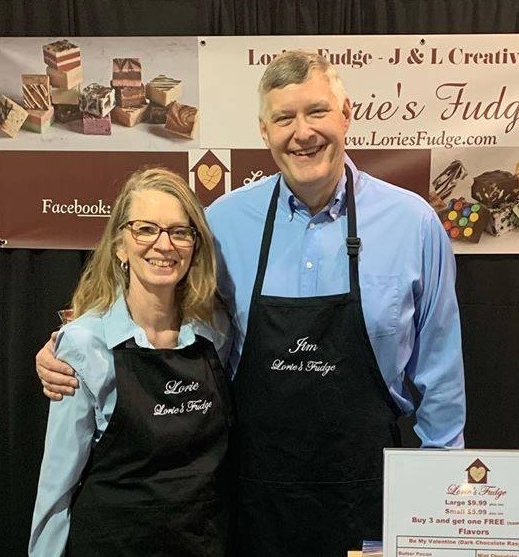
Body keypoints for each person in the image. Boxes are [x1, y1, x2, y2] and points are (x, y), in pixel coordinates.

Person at [36, 51, 466, 556]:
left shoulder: (413, 224)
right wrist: (71, 347)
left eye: (316, 111)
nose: (302, 132)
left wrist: (444, 515)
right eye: (284, 118)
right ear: (264, 131)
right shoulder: (223, 223)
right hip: (251, 501)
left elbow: (441, 378)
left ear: (346, 114)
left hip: (367, 495)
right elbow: (161, 314)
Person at [29, 167, 233, 557]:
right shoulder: (84, 345)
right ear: (120, 246)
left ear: (194, 246)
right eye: (146, 229)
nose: (164, 244)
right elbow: (56, 487)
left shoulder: (216, 333)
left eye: (179, 231)